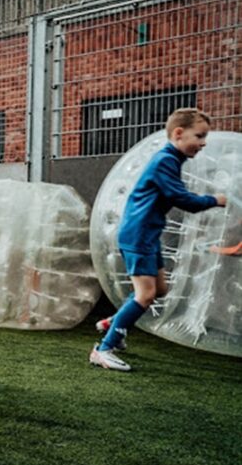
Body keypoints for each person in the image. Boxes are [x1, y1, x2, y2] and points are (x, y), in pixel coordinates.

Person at [90, 108, 226, 372]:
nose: (204, 142)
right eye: (199, 135)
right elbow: (184, 200)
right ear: (178, 133)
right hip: (138, 234)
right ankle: (104, 348)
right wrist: (217, 200)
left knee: (159, 290)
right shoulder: (165, 160)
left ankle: (113, 322)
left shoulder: (172, 160)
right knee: (146, 294)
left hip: (148, 234)